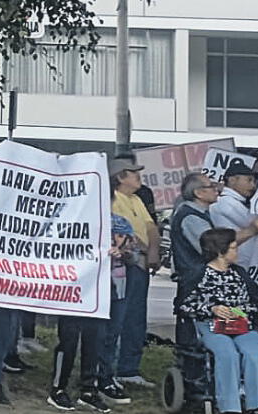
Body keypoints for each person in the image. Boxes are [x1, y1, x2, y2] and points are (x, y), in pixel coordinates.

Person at [176, 228, 258, 414]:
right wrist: (212, 309)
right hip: (210, 324)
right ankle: (229, 407)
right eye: (233, 248)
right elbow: (184, 306)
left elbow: (253, 305)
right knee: (226, 354)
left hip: (240, 323)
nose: (236, 251)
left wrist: (235, 311)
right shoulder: (198, 275)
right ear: (220, 251)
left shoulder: (239, 275)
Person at [107, 157, 160, 389]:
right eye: (132, 172)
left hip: (141, 263)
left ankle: (129, 368)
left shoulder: (136, 198)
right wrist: (147, 252)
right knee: (120, 317)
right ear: (120, 177)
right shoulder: (112, 199)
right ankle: (112, 368)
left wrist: (154, 251)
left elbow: (150, 227)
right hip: (126, 264)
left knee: (136, 316)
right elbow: (123, 231)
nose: (138, 176)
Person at [96, 215, 137, 405]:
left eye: (120, 235)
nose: (116, 238)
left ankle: (106, 375)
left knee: (112, 335)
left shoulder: (122, 226)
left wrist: (124, 254)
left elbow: (133, 256)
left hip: (118, 291)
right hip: (94, 292)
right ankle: (92, 376)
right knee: (96, 335)